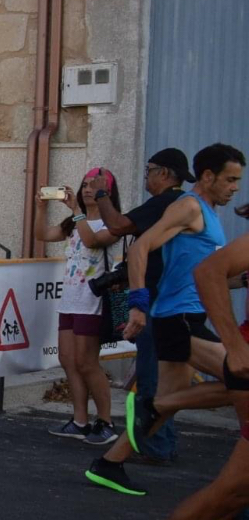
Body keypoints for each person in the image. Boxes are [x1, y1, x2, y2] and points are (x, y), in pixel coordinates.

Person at [102, 230, 249, 520]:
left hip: (182, 322)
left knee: (235, 488)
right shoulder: (185, 208)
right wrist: (235, 346)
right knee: (233, 488)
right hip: (179, 323)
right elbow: (209, 272)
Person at [88, 143, 244, 497]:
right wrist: (138, 304)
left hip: (185, 314)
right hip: (178, 318)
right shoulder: (188, 206)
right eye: (230, 180)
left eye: (238, 181)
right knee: (241, 377)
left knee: (171, 399)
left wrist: (241, 280)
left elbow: (203, 275)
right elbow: (141, 247)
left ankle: (109, 463)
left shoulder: (207, 212)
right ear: (207, 176)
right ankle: (150, 403)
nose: (235, 187)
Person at [94, 148, 192, 463]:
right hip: (176, 299)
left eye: (149, 169)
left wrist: (101, 194)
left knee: (153, 377)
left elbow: (118, 225)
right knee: (167, 375)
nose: (146, 176)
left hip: (157, 301)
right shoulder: (182, 205)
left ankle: (156, 445)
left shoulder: (165, 203)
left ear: (164, 173)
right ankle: (161, 441)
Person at [37, 169, 122, 444]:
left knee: (87, 362)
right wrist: (41, 208)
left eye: (94, 186)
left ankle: (106, 422)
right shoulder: (74, 221)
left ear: (107, 192)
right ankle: (80, 420)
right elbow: (42, 234)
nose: (87, 190)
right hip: (70, 300)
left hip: (93, 301)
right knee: (67, 359)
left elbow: (93, 240)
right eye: (84, 184)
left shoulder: (113, 224)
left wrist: (76, 210)